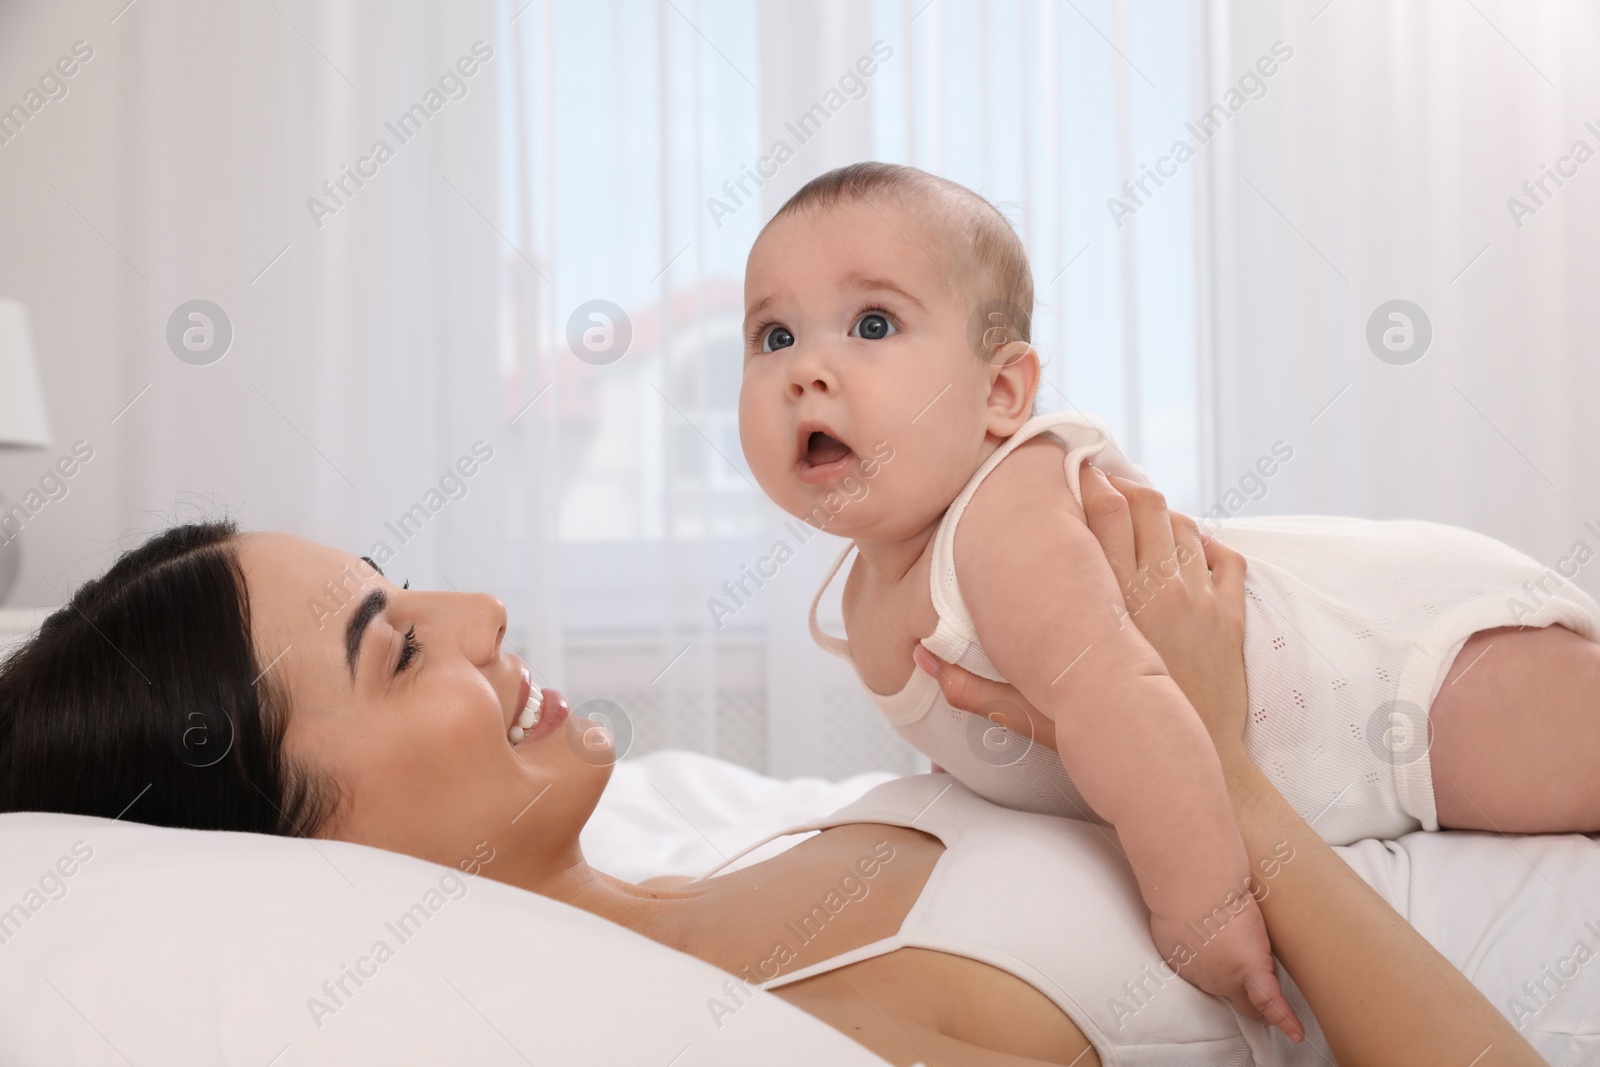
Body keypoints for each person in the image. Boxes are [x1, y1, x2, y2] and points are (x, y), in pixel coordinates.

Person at [0, 496, 1559, 1065]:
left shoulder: (720, 849)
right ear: (297, 846)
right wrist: (1213, 761)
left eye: (403, 587)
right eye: (395, 650)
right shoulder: (805, 1031)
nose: (474, 616)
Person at [735, 160, 1600, 1026]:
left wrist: (1200, 905)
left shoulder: (1005, 516)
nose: (808, 369)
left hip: (1388, 678)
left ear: (1001, 392)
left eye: (873, 323)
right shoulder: (865, 584)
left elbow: (1122, 700)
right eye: (775, 337)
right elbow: (988, 724)